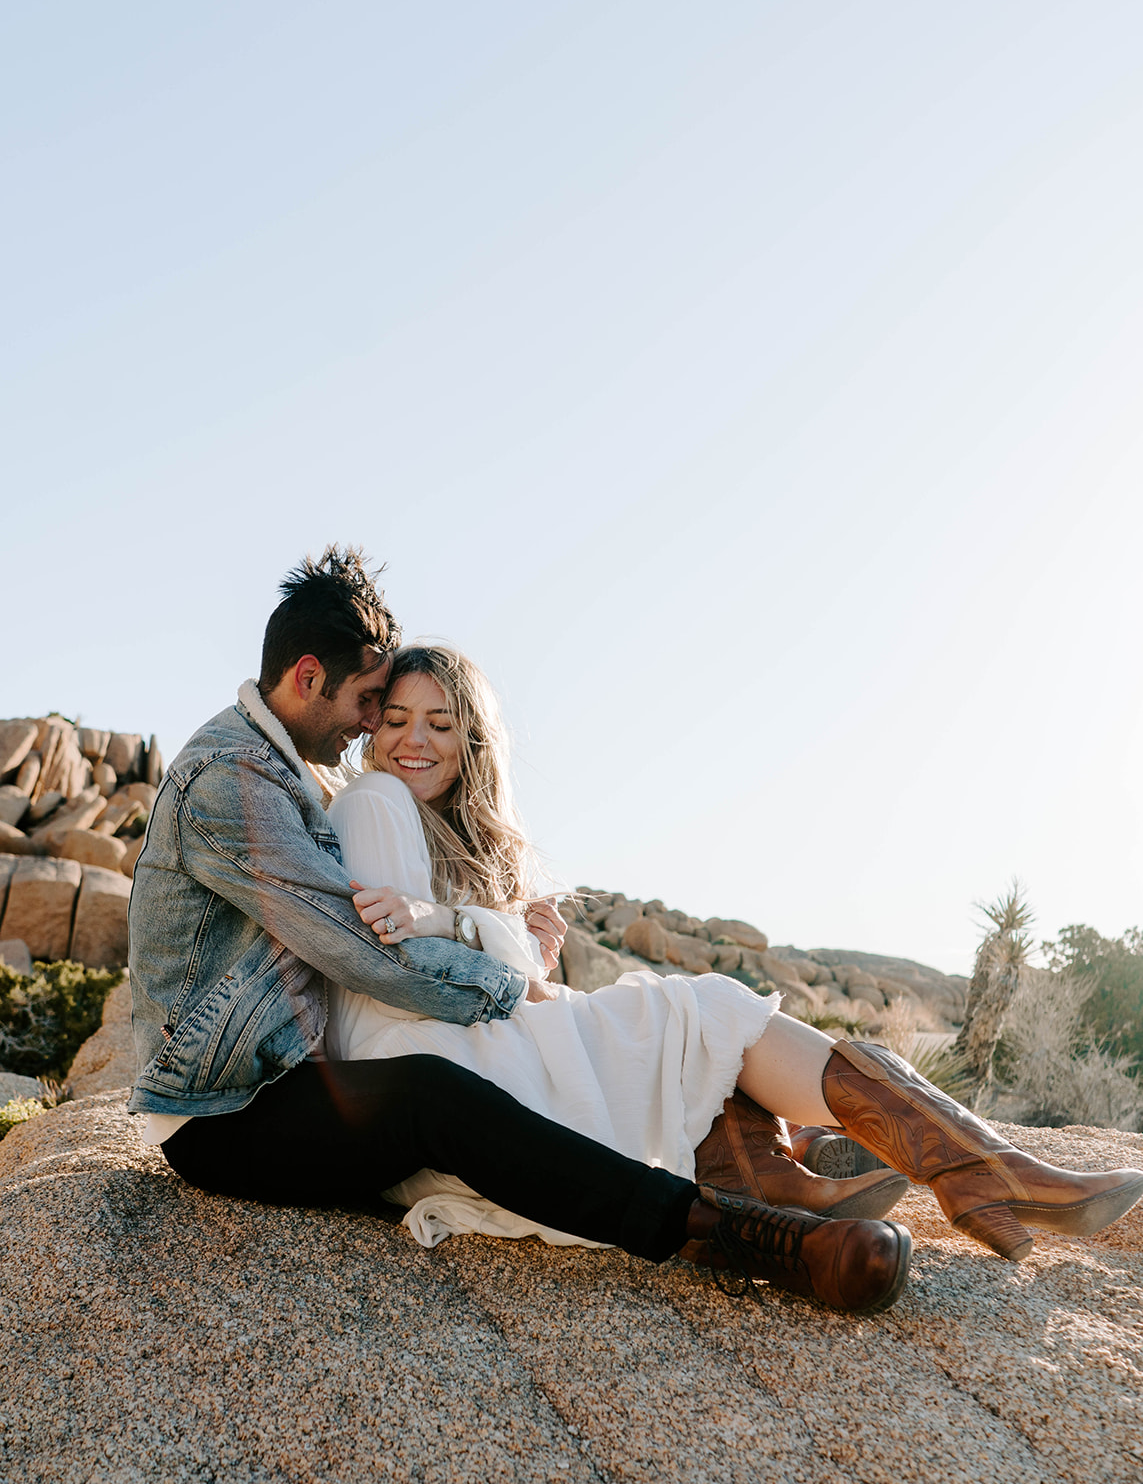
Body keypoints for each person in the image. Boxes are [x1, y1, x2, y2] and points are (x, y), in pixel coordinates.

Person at [128, 546, 914, 1317]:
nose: (373, 724)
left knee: (475, 1078)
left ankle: (770, 1155)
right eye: (369, 701)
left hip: (286, 1079)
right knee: (431, 1098)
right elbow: (363, 952)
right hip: (224, 1112)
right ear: (307, 678)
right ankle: (747, 1238)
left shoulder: (286, 769)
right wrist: (517, 985)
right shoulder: (230, 781)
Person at [327, 639, 1143, 1270]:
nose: (414, 742)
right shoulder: (377, 800)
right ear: (369, 730)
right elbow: (406, 964)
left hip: (472, 1049)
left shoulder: (450, 829)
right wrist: (499, 938)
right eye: (395, 721)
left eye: (440, 723)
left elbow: (478, 968)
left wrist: (518, 951)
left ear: (472, 739)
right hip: (436, 1072)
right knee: (693, 1009)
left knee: (681, 1014)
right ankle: (980, 1172)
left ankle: (806, 1176)